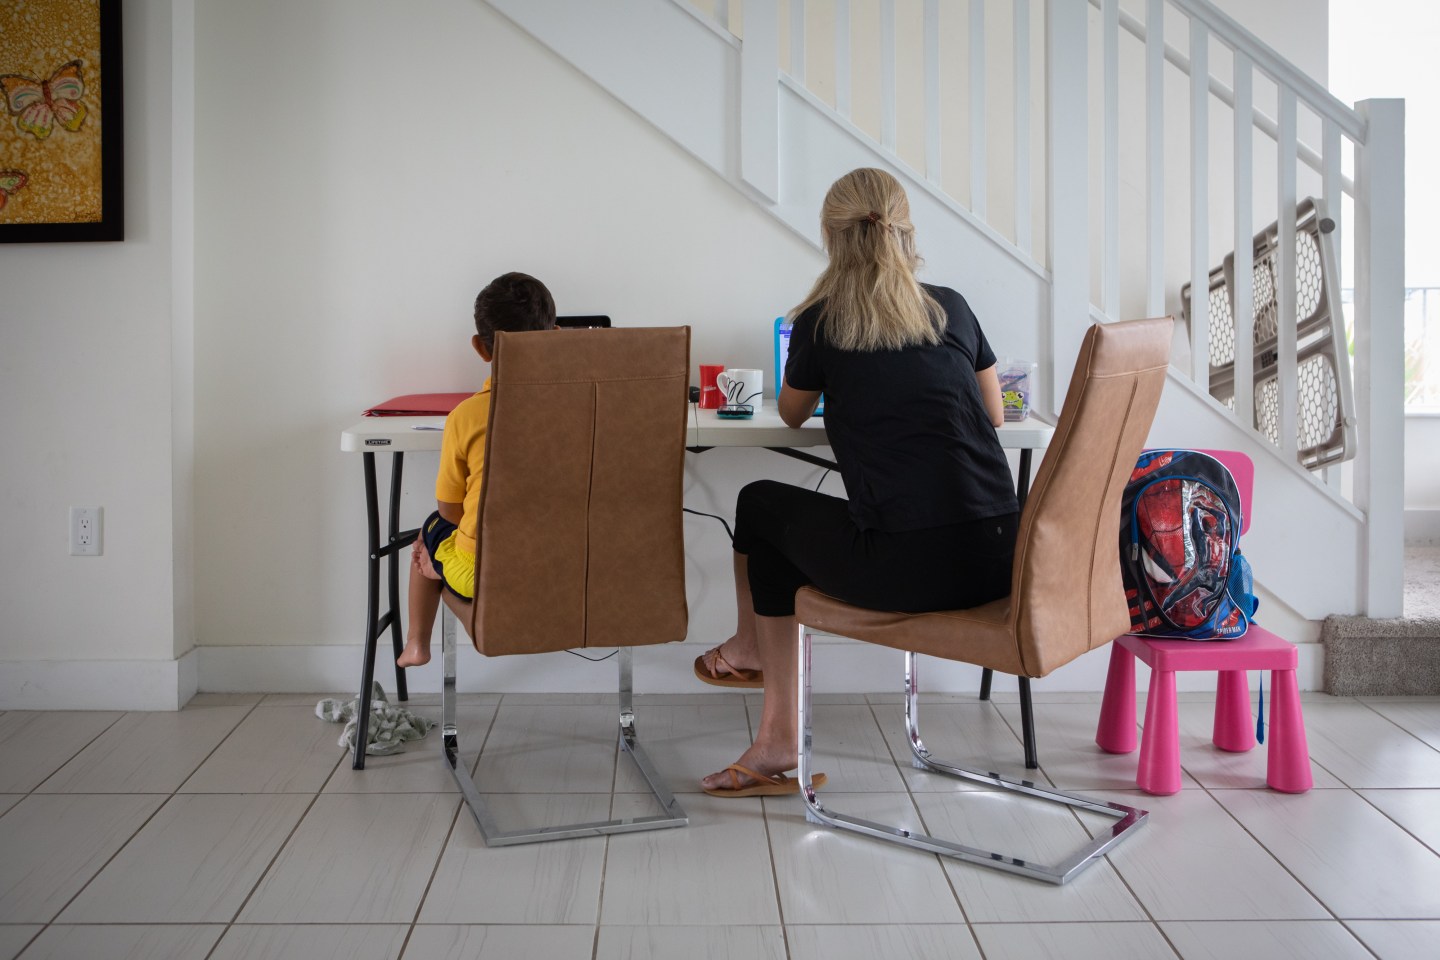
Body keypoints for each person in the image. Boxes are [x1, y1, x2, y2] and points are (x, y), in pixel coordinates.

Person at [696, 168, 1019, 797]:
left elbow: (793, 413)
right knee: (781, 541)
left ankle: (753, 661)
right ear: (905, 230)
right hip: (1002, 559)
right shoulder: (950, 307)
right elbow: (995, 414)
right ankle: (774, 727)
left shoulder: (823, 321)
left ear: (831, 236)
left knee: (759, 505)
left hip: (912, 570)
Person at [396, 272, 557, 667]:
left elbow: (451, 511)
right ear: (556, 336)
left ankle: (417, 643)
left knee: (431, 529)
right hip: (562, 563)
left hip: (482, 573)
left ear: (480, 347)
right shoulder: (583, 408)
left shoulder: (465, 417)